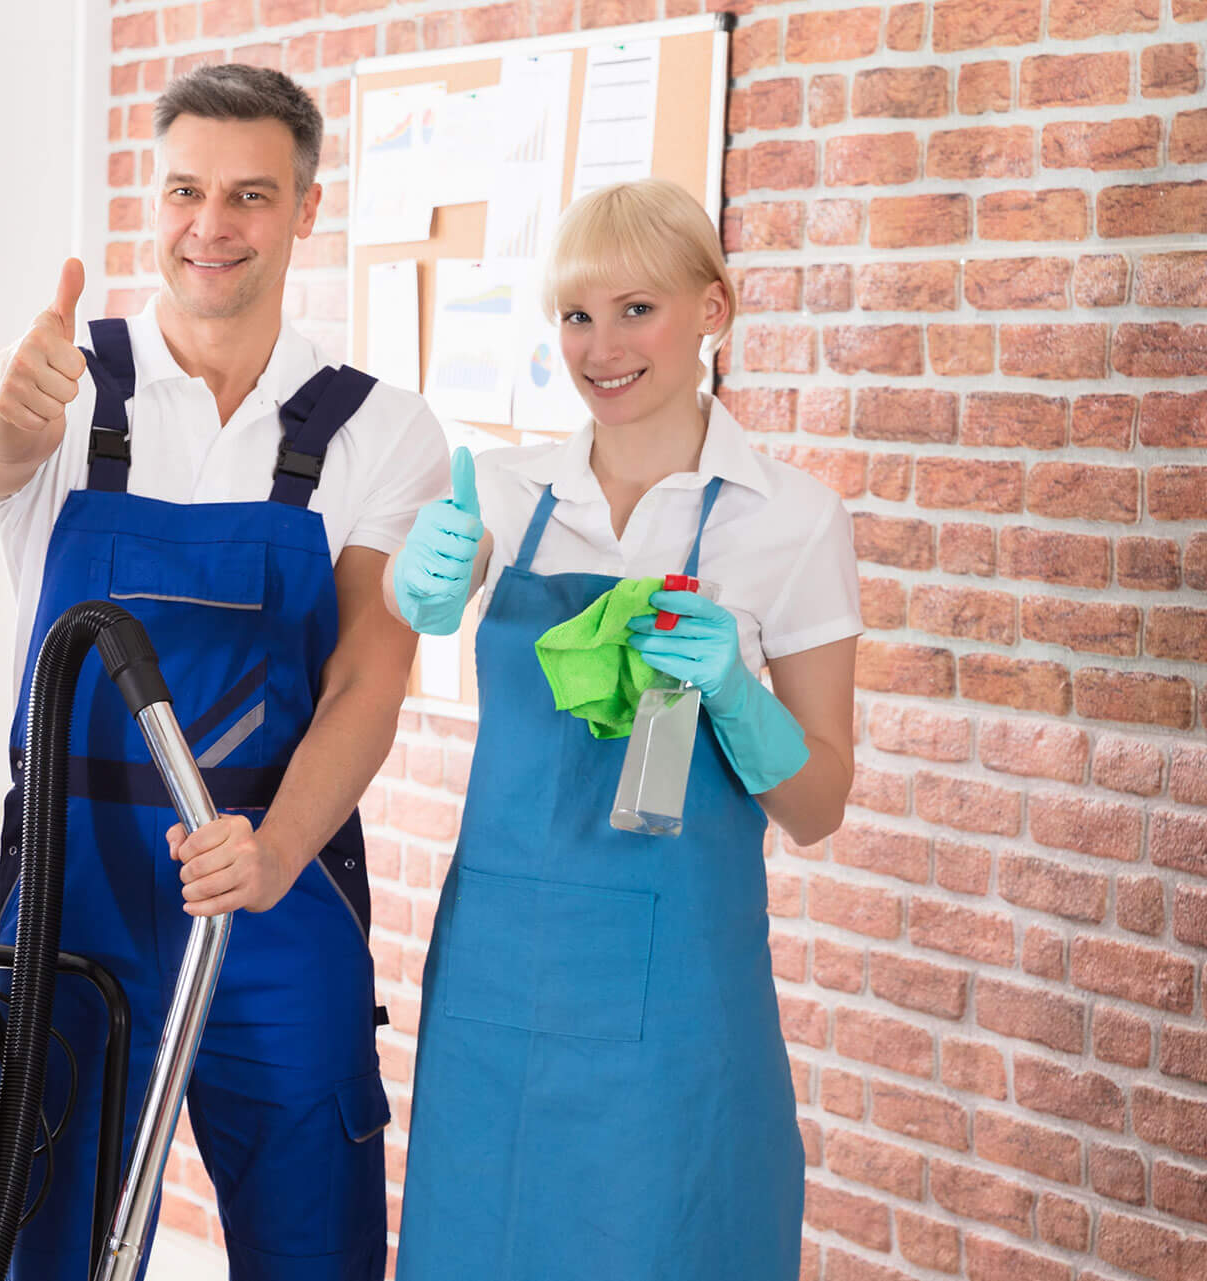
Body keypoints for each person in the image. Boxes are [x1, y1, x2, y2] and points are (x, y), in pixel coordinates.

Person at [0, 63, 446, 1280]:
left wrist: (272, 852)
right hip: (79, 881)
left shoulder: (380, 430)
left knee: (312, 1230)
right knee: (43, 1226)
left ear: (305, 211)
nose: (210, 225)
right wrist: (7, 404)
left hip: (274, 872)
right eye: (184, 190)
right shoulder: (65, 384)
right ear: (148, 195)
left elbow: (368, 683)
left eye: (250, 195)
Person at [389, 178, 853, 1279]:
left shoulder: (789, 520)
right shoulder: (503, 495)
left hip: (680, 994)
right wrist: (420, 593)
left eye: (637, 308)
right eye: (576, 315)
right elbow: (424, 618)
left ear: (714, 310)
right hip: (499, 981)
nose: (602, 346)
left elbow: (820, 805)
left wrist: (740, 697)